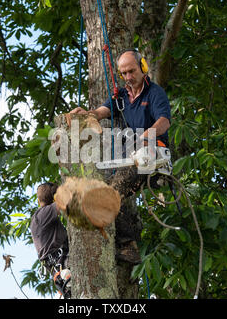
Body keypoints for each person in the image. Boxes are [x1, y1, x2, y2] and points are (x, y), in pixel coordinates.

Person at [69, 49, 172, 265]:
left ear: (143, 67)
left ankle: (127, 245)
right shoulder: (122, 96)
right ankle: (127, 244)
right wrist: (85, 114)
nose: (128, 77)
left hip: (152, 158)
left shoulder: (154, 93)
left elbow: (164, 121)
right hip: (131, 160)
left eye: (132, 71)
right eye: (123, 73)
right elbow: (101, 112)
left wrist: (145, 137)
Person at [30, 182, 70, 297]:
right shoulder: (43, 214)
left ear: (39, 200)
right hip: (61, 262)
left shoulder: (41, 217)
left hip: (59, 264)